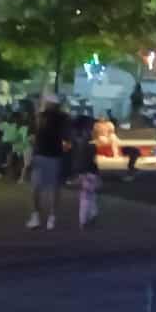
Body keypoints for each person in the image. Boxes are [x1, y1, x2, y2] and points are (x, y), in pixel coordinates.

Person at [27, 95, 70, 230]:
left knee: (36, 187)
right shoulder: (64, 118)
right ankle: (51, 217)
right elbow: (67, 138)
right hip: (54, 155)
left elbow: (32, 137)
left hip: (41, 154)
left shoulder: (39, 117)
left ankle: (37, 216)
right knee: (53, 188)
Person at [69, 114, 101, 228]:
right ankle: (86, 218)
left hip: (81, 170)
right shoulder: (89, 143)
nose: (94, 129)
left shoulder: (76, 140)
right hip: (89, 171)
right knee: (88, 195)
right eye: (92, 126)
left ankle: (88, 216)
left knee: (86, 195)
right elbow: (91, 159)